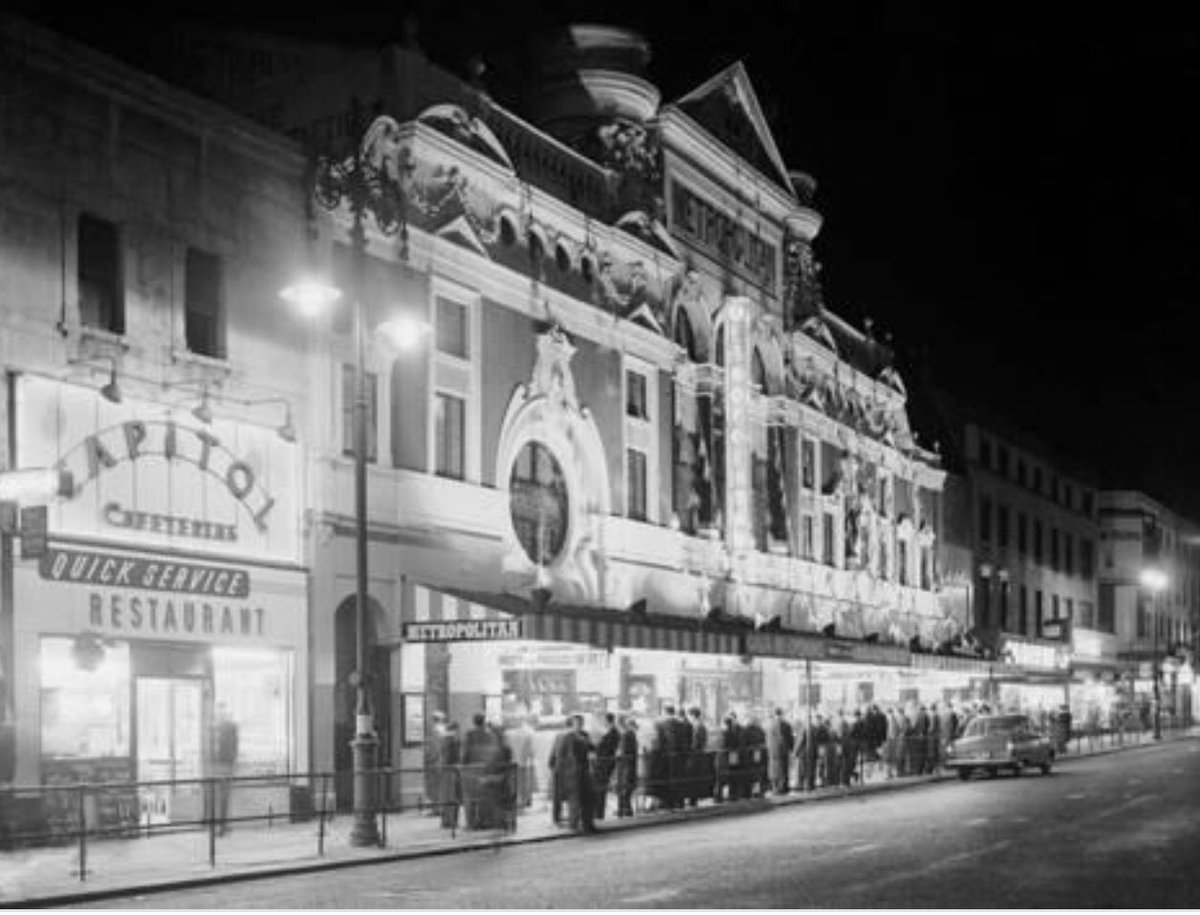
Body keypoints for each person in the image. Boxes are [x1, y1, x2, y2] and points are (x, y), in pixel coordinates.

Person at [211, 703, 238, 835]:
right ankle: (224, 825)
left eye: (221, 712)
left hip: (224, 765)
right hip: (222, 765)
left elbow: (232, 747)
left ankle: (222, 826)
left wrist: (231, 764)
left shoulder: (227, 727)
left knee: (223, 797)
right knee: (223, 797)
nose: (220, 714)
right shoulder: (220, 727)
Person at [593, 712, 620, 820]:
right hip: (605, 763)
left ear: (607, 721)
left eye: (603, 720)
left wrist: (596, 747)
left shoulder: (613, 733)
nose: (602, 722)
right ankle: (598, 813)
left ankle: (599, 814)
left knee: (600, 789)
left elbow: (604, 749)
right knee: (600, 790)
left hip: (605, 764)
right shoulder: (611, 732)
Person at [436, 721, 461, 829]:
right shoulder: (453, 740)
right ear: (455, 729)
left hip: (444, 770)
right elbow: (454, 757)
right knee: (453, 796)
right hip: (452, 770)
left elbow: (442, 755)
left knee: (446, 796)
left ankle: (445, 821)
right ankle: (452, 821)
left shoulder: (444, 739)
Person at [686, 706, 711, 807]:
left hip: (695, 755)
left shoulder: (696, 726)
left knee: (692, 778)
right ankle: (693, 800)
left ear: (692, 715)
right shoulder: (701, 725)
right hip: (699, 755)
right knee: (695, 779)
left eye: (689, 715)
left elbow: (696, 742)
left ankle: (693, 800)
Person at [766, 708, 794, 795]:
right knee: (783, 770)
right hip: (783, 752)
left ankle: (775, 788)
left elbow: (768, 739)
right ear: (782, 714)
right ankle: (783, 788)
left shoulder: (770, 725)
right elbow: (790, 739)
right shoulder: (787, 725)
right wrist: (791, 750)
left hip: (773, 752)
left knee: (774, 771)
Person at [615, 716, 639, 818]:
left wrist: (617, 754)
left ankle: (623, 810)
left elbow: (623, 752)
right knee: (626, 788)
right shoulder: (631, 734)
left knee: (623, 788)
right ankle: (626, 810)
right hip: (629, 765)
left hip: (625, 766)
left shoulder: (626, 735)